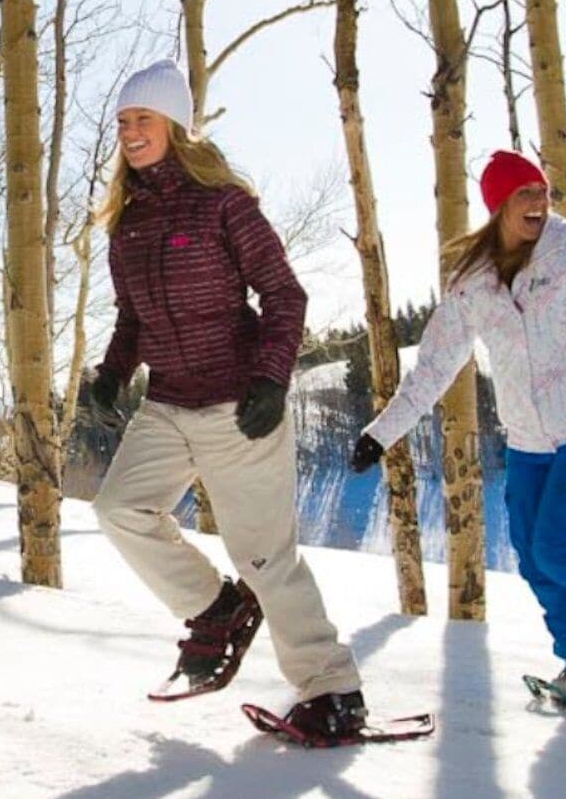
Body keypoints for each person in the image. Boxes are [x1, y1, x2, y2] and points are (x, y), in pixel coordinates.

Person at [351, 150, 566, 707]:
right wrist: (381, 433)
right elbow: (435, 368)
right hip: (528, 444)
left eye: (542, 191)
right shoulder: (473, 285)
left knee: (559, 549)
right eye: (524, 194)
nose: (539, 202)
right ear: (497, 207)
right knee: (536, 557)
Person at [81, 61, 369, 740]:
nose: (129, 133)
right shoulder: (125, 222)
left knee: (266, 557)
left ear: (175, 125)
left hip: (239, 404)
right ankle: (216, 612)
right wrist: (113, 372)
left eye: (142, 120)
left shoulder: (223, 204)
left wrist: (271, 379)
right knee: (119, 509)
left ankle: (333, 690)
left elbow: (284, 295)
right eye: (122, 123)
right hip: (169, 402)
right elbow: (132, 317)